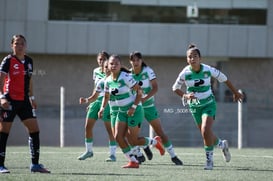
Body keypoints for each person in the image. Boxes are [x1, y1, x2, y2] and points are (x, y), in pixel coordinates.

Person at [172, 44, 244, 170]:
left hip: (208, 104)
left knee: (205, 130)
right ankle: (222, 145)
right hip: (194, 106)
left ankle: (209, 161)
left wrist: (235, 92)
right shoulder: (185, 72)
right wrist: (186, 95)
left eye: (195, 56)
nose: (192, 59)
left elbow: (225, 79)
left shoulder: (208, 69)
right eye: (190, 57)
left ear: (200, 58)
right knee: (205, 133)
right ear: (187, 59)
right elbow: (175, 88)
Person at [98, 54, 165, 168]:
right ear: (108, 66)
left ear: (120, 65)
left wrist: (133, 107)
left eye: (116, 64)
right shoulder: (108, 80)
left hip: (135, 110)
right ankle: (133, 161)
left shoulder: (125, 77)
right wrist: (102, 108)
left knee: (133, 140)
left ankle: (155, 142)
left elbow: (139, 91)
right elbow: (107, 96)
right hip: (121, 112)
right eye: (111, 64)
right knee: (118, 137)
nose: (114, 66)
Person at [0, 34, 50, 173]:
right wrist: (1, 97)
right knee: (4, 132)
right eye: (17, 43)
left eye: (22, 43)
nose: (19, 45)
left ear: (25, 45)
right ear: (12, 46)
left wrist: (32, 97)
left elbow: (30, 80)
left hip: (24, 101)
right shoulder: (8, 61)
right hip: (9, 100)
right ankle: (0, 165)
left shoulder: (29, 61)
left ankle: (35, 165)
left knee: (34, 129)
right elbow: (1, 80)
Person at [129, 51, 183, 165]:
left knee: (160, 132)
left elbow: (155, 88)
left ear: (141, 60)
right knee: (132, 135)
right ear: (130, 62)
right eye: (133, 60)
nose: (135, 62)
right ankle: (142, 151)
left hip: (149, 107)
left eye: (137, 60)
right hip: (136, 108)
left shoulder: (148, 71)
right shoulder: (129, 74)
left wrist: (144, 98)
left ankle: (173, 156)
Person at [78, 53, 117, 162]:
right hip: (97, 102)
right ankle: (89, 151)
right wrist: (87, 100)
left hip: (109, 103)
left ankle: (112, 154)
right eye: (104, 67)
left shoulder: (116, 79)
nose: (106, 69)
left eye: (107, 65)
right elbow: (95, 93)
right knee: (88, 126)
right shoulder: (99, 77)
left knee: (110, 130)